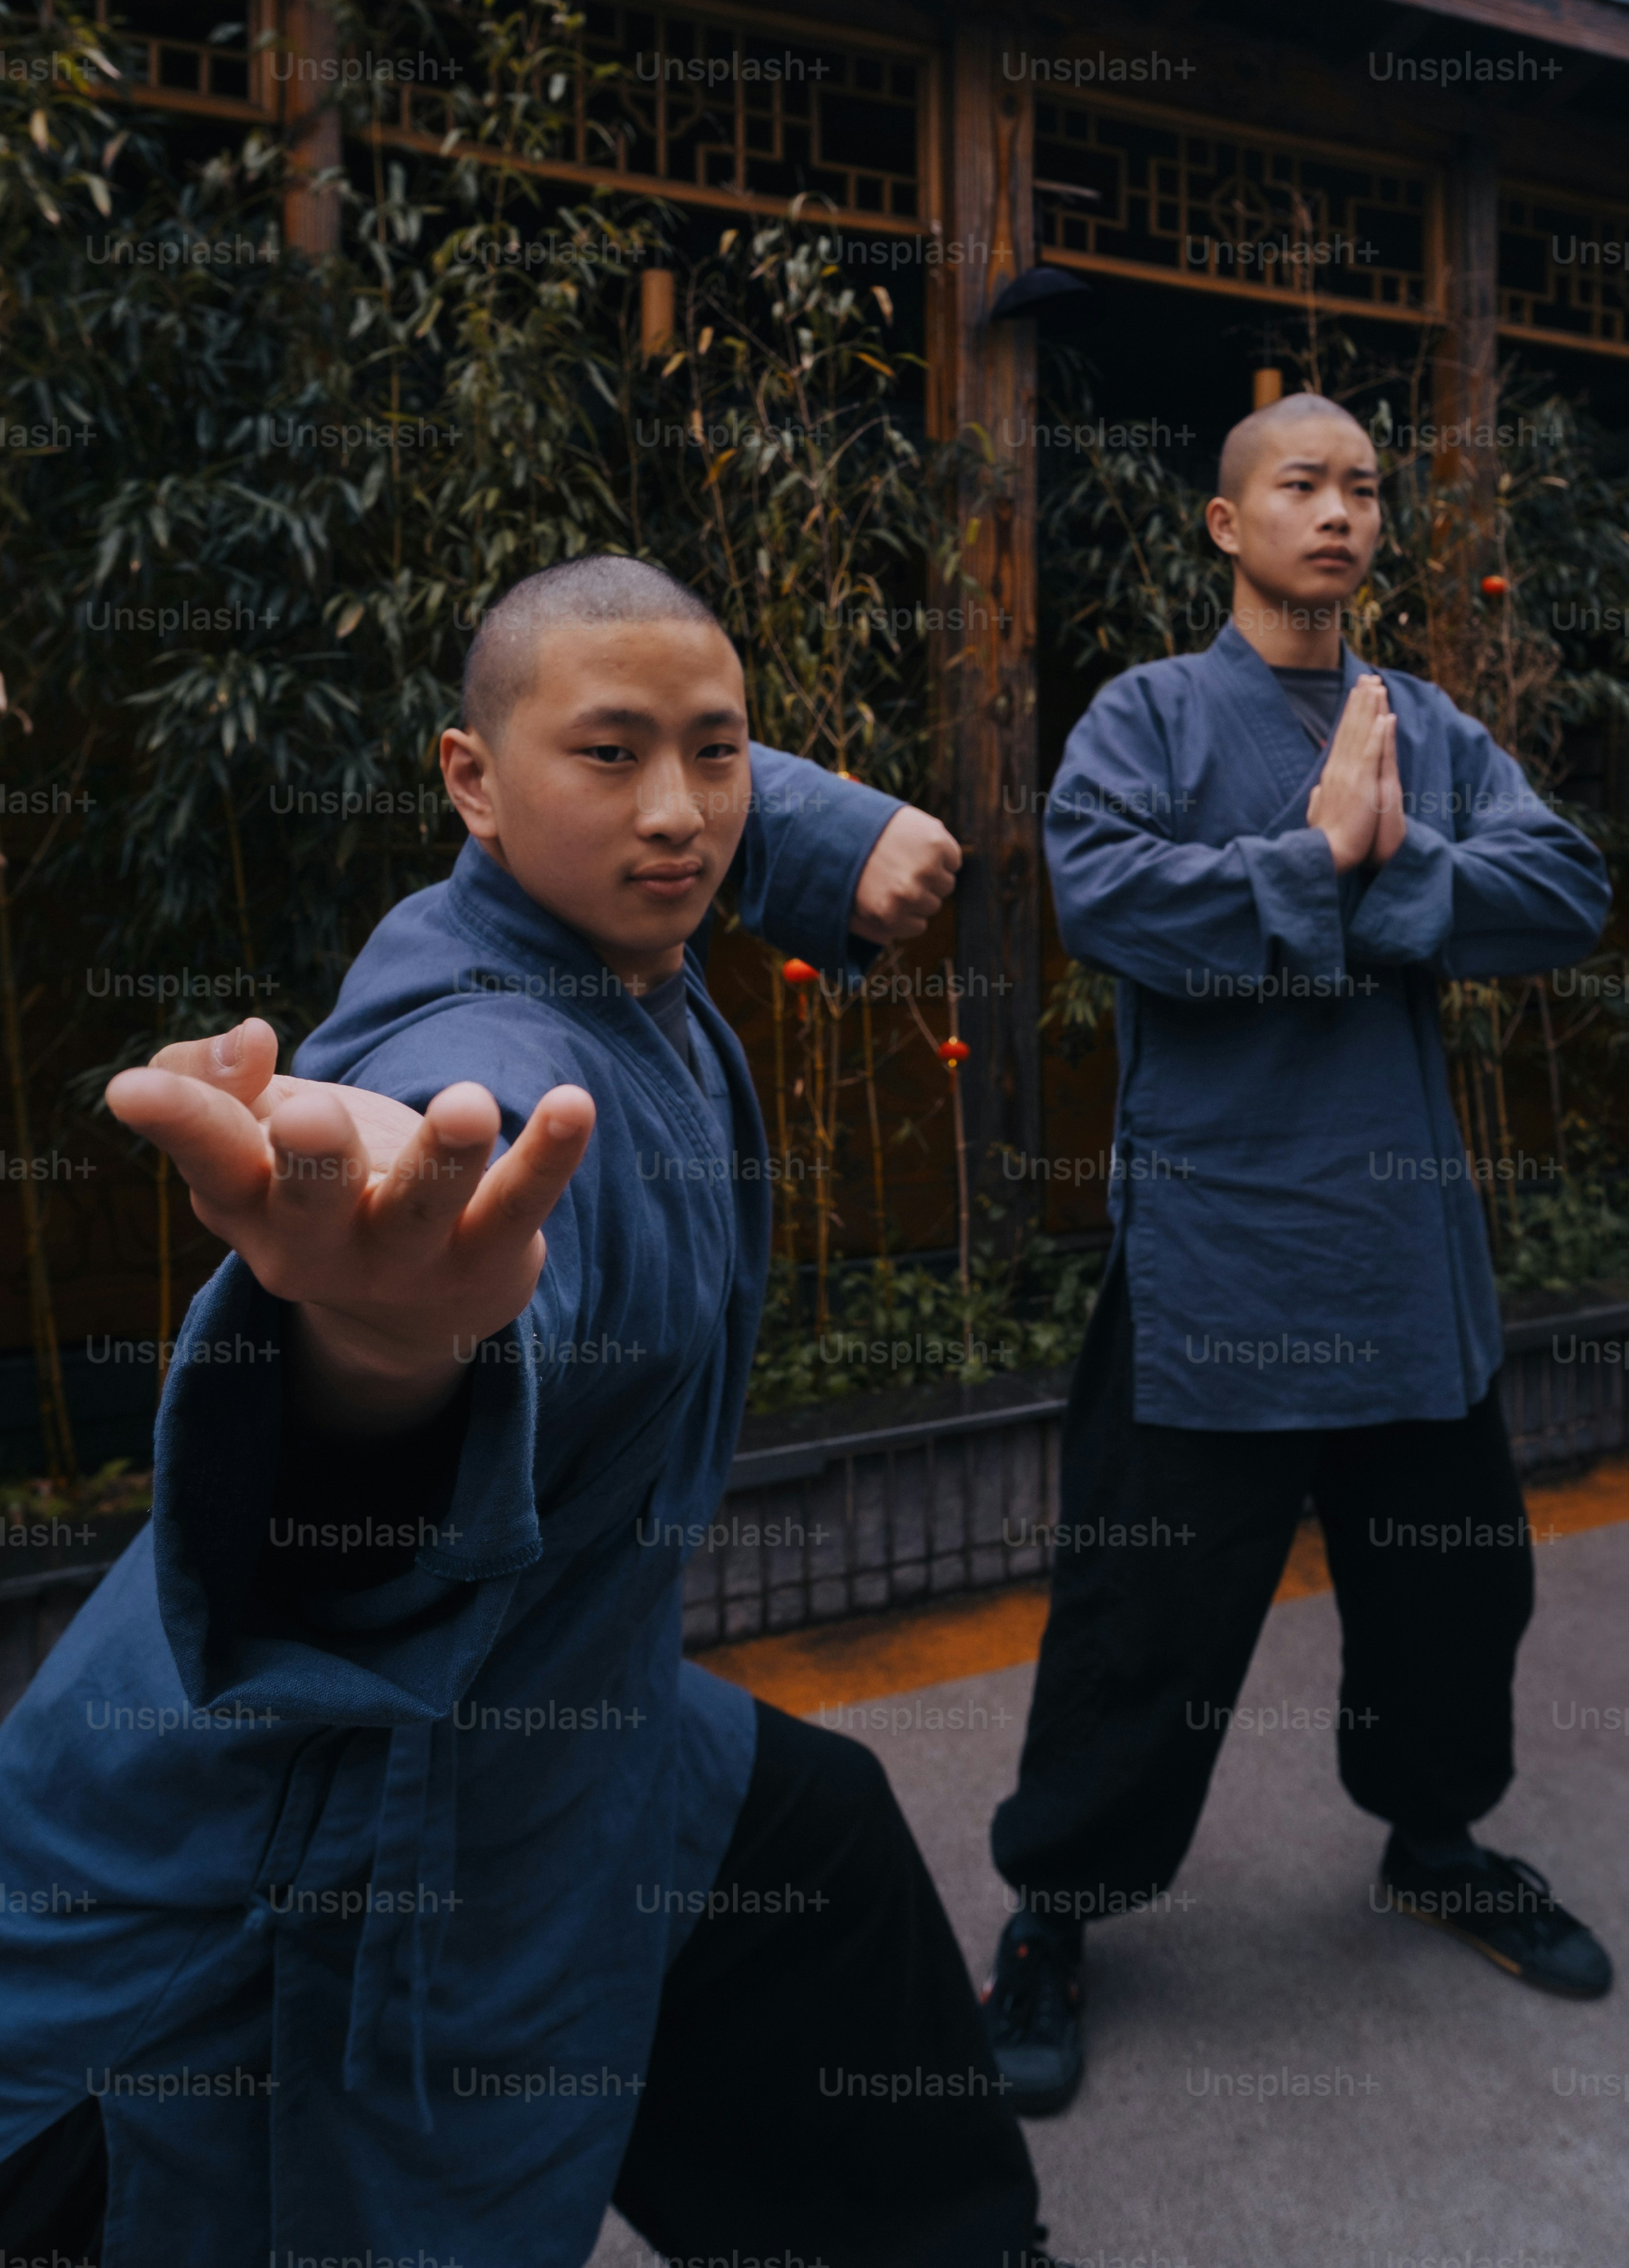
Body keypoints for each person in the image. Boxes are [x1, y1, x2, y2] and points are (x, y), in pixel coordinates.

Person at [0, 557, 1053, 2268]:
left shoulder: (623, 914)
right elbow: (465, 1220)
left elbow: (652, 759)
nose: (678, 816)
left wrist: (819, 827)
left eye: (717, 758)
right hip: (295, 1826)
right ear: (466, 784)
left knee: (822, 1835)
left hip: (587, 1703)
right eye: (612, 758)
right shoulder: (494, 1048)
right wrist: (383, 1348)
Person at [980, 393, 1615, 2118]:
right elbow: (1106, 901)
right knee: (1144, 1621)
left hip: (1400, 1262)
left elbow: (1563, 889)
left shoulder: (1423, 721)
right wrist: (1318, 854)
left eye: (1360, 489)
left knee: (1453, 1591)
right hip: (1218, 1266)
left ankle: (1433, 1839)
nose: (1336, 514)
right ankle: (1055, 1907)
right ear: (1225, 525)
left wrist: (1372, 877)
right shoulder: (1148, 716)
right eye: (1299, 487)